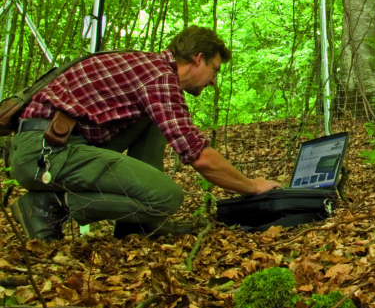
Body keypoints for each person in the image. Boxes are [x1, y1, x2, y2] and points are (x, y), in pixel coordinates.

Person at [9, 26, 280, 241]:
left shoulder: (150, 70)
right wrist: (252, 185)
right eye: (214, 70)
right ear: (199, 59)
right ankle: (49, 204)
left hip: (58, 145)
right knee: (166, 197)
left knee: (152, 119)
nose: (213, 81)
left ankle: (137, 227)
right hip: (46, 152)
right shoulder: (158, 78)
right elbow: (198, 155)